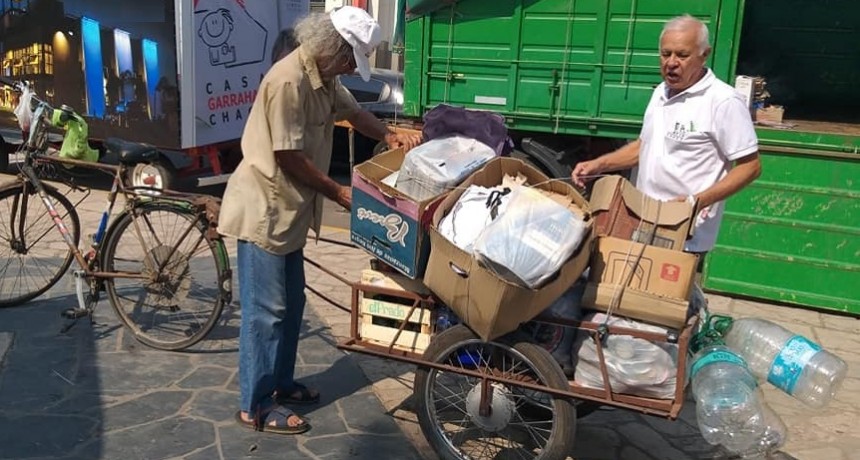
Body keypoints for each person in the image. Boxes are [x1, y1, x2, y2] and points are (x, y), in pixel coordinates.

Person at [218, 6, 421, 435]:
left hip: (290, 211)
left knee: (292, 307)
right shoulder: (287, 80)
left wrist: (388, 134)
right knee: (265, 313)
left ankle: (283, 383)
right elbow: (287, 155)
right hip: (265, 210)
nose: (350, 67)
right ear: (331, 47)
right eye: (349, 59)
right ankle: (255, 404)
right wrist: (338, 191)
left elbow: (353, 112)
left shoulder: (323, 76)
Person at [572, 14, 761, 254]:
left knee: (669, 290)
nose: (671, 62)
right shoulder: (661, 92)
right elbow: (646, 146)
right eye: (665, 54)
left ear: (704, 54)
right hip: (642, 219)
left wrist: (696, 202)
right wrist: (599, 164)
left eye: (682, 55)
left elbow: (751, 167)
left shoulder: (723, 101)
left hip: (684, 234)